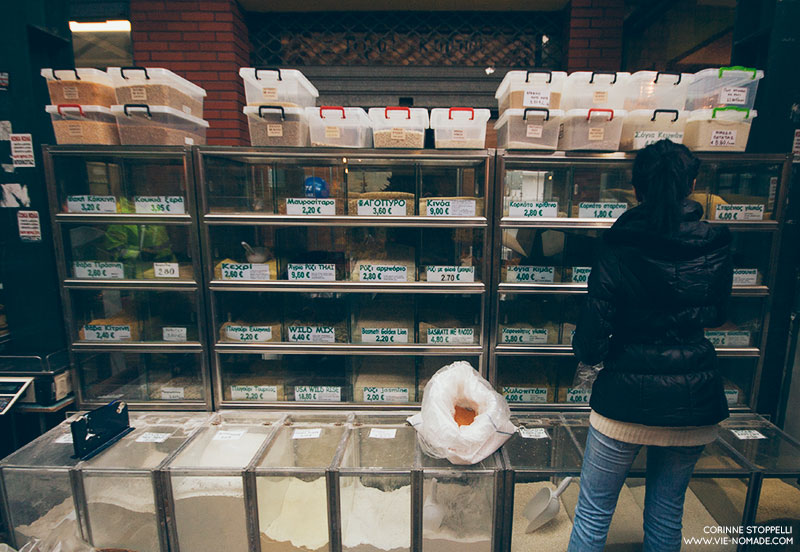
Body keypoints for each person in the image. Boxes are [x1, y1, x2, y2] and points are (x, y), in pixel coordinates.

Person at [568, 140, 733, 552]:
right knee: (666, 511)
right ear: (693, 184)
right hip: (694, 399)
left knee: (593, 512)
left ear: (636, 188)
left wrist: (590, 359)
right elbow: (716, 316)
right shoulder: (716, 243)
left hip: (624, 400)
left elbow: (593, 332)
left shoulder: (618, 244)